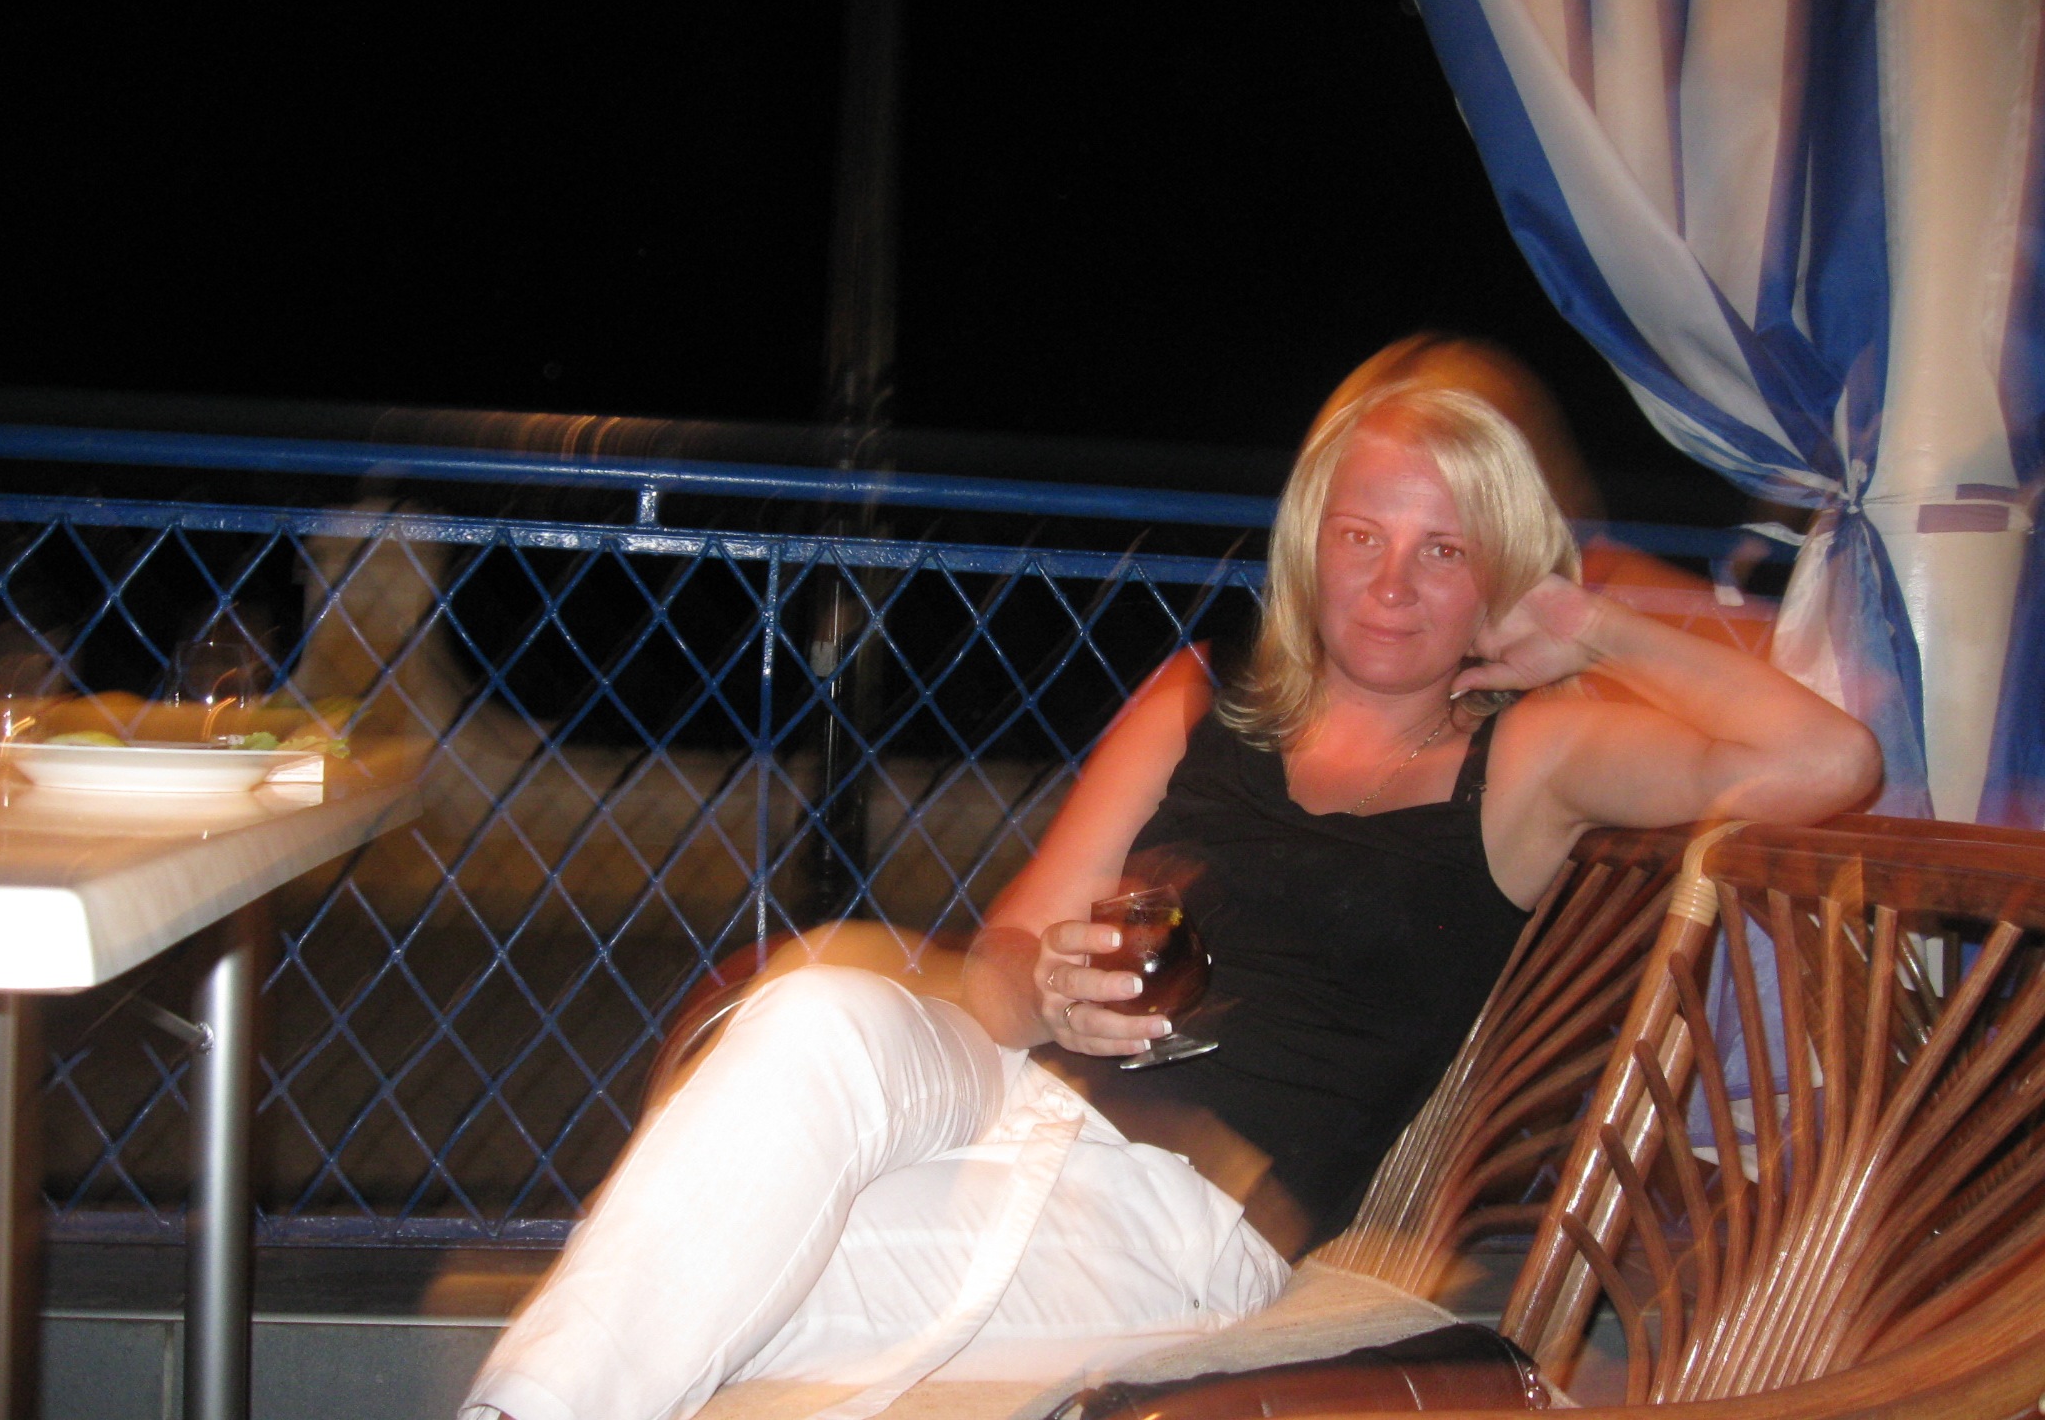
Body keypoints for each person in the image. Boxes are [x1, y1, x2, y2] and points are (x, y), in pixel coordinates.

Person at [462, 335, 1881, 1420]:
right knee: (818, 1012)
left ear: (1498, 579)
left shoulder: (1526, 764)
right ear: (1311, 544)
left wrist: (1595, 626)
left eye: (1444, 552)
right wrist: (1046, 986)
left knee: (722, 1276)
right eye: (1362, 536)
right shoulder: (1203, 698)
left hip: (1178, 1220)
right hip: (1009, 1107)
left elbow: (1827, 759)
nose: (1391, 585)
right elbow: (1001, 970)